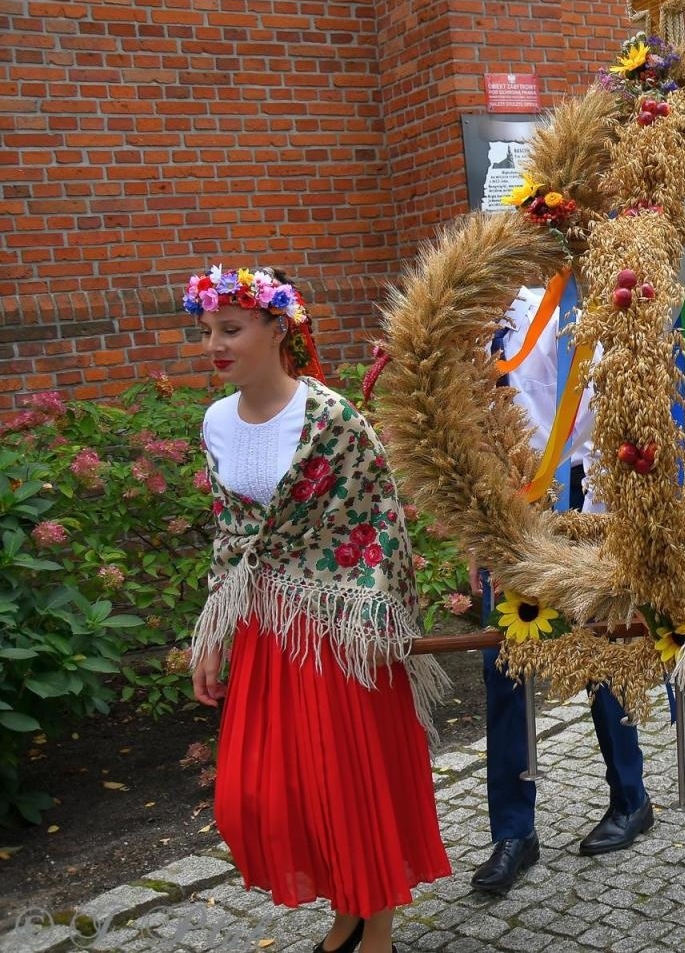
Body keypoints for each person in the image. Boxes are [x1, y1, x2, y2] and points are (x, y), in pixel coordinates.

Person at [186, 266, 449, 953]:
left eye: (230, 329)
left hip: (340, 629)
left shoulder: (330, 419)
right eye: (207, 330)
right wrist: (213, 635)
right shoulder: (214, 421)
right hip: (267, 628)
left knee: (352, 786)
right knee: (262, 797)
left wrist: (373, 624)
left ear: (278, 328)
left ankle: (374, 928)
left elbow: (380, 526)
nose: (214, 343)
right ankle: (349, 906)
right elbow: (232, 536)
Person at [469, 286, 653, 900]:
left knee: (604, 654)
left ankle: (631, 797)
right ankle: (513, 831)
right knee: (504, 664)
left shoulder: (565, 304)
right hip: (506, 515)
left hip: (577, 503)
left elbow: (596, 414)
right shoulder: (472, 316)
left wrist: (602, 519)